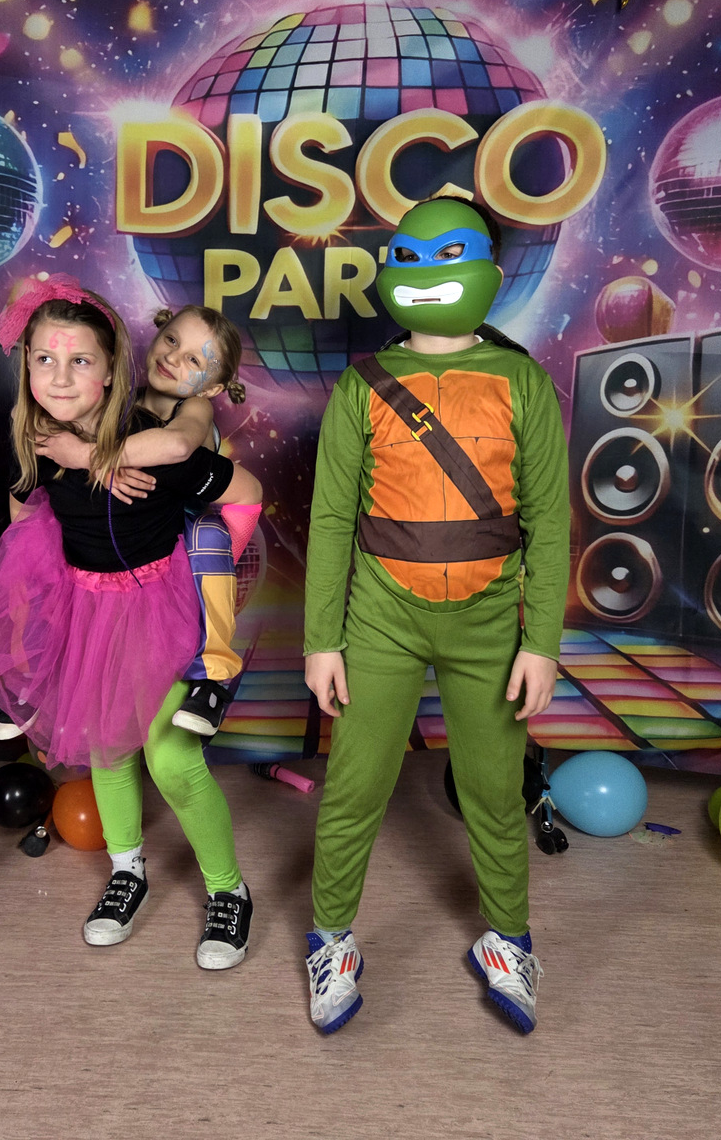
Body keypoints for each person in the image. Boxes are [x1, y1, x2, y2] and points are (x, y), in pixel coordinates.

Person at [302, 197, 570, 1034]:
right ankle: (331, 938)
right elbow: (331, 519)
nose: (426, 274)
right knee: (355, 786)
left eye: (448, 255)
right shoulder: (362, 386)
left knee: (494, 789)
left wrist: (542, 643)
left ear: (488, 268)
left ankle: (508, 938)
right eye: (408, 258)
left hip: (489, 622)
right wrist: (321, 640)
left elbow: (549, 521)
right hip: (380, 617)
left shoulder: (523, 381)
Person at [0, 278, 262, 968]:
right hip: (87, 612)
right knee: (105, 747)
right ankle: (128, 869)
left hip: (159, 608)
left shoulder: (153, 446)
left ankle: (229, 889)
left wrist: (208, 560)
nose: (61, 377)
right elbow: (24, 525)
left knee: (172, 760)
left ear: (110, 371)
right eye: (45, 359)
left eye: (79, 361)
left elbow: (244, 491)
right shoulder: (35, 442)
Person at [28, 303, 261, 737]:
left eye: (193, 360)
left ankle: (211, 679)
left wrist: (87, 456)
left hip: (189, 535)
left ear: (213, 387)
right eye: (171, 340)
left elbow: (176, 446)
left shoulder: (194, 408)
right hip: (135, 543)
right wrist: (96, 462)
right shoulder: (123, 402)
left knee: (208, 535)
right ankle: (34, 676)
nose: (173, 357)